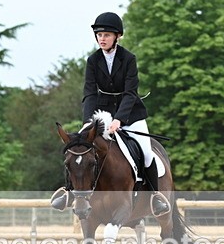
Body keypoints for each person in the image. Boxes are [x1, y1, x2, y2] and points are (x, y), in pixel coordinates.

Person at [51, 12, 170, 217]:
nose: (102, 38)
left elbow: (130, 93)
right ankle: (69, 191)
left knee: (147, 153)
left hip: (130, 114)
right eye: (99, 35)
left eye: (106, 35)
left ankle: (155, 196)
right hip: (100, 114)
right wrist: (90, 122)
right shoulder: (93, 60)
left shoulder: (128, 59)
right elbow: (89, 93)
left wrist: (119, 119)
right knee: (78, 148)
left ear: (117, 36)